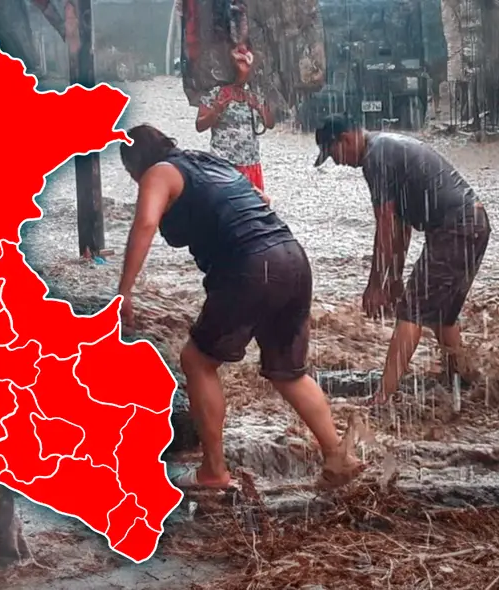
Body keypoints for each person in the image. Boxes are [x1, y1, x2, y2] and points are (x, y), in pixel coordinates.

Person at [117, 123, 361, 490]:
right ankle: (338, 456)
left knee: (197, 361)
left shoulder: (159, 172)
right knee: (288, 372)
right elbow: (261, 199)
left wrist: (124, 290)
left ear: (134, 163)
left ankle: (213, 472)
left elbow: (146, 222)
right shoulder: (210, 163)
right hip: (291, 257)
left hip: (251, 266)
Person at [313, 114, 491, 405]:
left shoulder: (375, 158)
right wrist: (393, 278)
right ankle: (462, 382)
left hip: (455, 229)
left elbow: (385, 225)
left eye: (333, 155)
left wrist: (375, 285)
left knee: (411, 312)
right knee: (443, 314)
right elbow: (401, 227)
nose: (337, 162)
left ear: (345, 139)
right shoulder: (383, 147)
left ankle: (383, 399)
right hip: (474, 224)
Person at [195, 46, 274, 192]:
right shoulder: (215, 92)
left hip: (250, 162)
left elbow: (270, 123)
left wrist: (258, 107)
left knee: (251, 204)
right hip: (222, 163)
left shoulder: (256, 93)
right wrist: (217, 110)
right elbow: (200, 125)